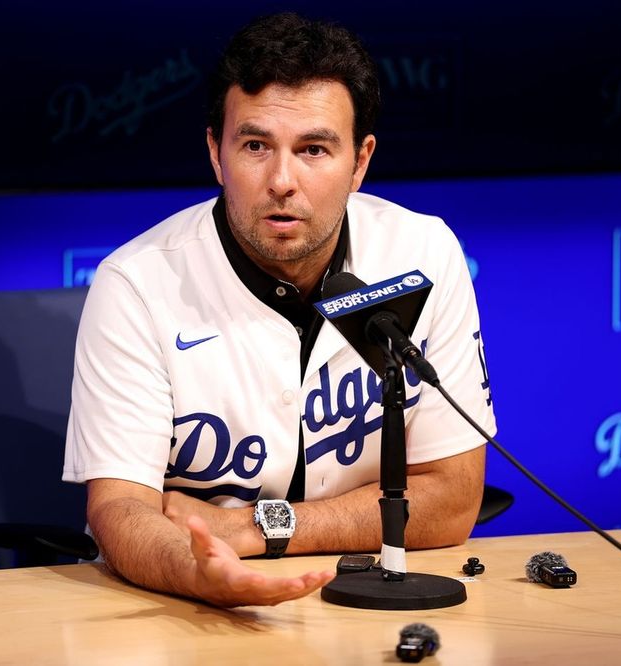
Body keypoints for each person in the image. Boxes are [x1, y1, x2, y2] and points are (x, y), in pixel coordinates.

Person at [62, 12, 495, 608]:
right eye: (256, 145)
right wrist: (198, 573)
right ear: (216, 153)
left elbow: (452, 499)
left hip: (362, 598)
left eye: (314, 149)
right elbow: (120, 511)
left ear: (360, 162)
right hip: (178, 606)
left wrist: (255, 528)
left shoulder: (424, 254)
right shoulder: (135, 284)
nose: (282, 180)